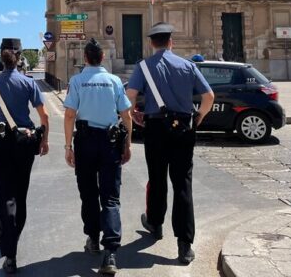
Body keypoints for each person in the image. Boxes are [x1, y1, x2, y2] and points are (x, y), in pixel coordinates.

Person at [126, 23, 214, 266]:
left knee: (157, 178)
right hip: (184, 127)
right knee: (182, 183)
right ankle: (184, 245)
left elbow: (130, 95)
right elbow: (208, 97)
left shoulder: (144, 67)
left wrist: (133, 114)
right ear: (171, 42)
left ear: (152, 43)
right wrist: (199, 117)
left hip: (155, 128)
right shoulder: (188, 66)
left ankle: (155, 224)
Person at [0, 38, 50, 274]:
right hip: (24, 143)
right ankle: (14, 241)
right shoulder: (29, 83)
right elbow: (44, 116)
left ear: (1, 57)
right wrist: (45, 140)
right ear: (20, 58)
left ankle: (9, 253)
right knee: (20, 195)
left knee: (4, 197)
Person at [64, 38, 133, 275]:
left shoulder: (77, 81)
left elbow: (70, 115)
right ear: (102, 58)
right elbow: (126, 115)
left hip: (84, 142)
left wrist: (67, 146)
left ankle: (93, 238)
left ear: (85, 58)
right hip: (110, 143)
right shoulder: (114, 81)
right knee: (111, 197)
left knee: (89, 193)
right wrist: (128, 144)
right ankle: (110, 254)